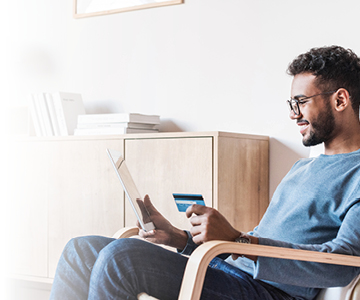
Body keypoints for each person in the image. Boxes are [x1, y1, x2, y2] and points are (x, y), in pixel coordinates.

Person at [49, 45, 360, 300]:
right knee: (81, 249)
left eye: (301, 102)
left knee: (123, 257)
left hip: (268, 293)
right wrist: (179, 238)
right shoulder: (303, 166)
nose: (293, 114)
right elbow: (250, 248)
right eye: (291, 103)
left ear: (341, 100)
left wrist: (239, 239)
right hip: (232, 274)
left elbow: (344, 262)